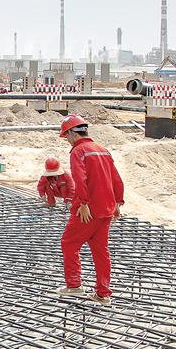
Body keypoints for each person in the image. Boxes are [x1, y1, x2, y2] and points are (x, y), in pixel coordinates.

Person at [57, 114, 125, 305]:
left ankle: (74, 285)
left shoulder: (78, 151)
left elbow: (80, 178)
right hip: (106, 209)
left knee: (69, 243)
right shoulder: (103, 150)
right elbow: (116, 179)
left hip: (88, 209)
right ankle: (103, 294)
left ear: (72, 133)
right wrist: (118, 203)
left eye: (66, 137)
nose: (67, 141)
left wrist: (84, 203)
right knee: (101, 251)